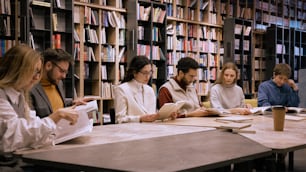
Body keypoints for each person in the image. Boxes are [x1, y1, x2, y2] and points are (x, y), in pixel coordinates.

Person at [0, 44, 78, 155]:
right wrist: (55, 117)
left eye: (38, 72)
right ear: (18, 69)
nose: (37, 77)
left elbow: (32, 122)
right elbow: (14, 135)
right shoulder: (2, 95)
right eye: (34, 71)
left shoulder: (20, 94)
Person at [30, 48, 92, 118]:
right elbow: (32, 124)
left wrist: (73, 103)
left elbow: (59, 105)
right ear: (48, 65)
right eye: (62, 71)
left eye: (66, 72)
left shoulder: (58, 83)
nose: (64, 76)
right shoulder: (30, 88)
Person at [114, 55, 175, 123]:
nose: (148, 76)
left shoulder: (150, 90)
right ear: (134, 73)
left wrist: (167, 116)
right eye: (145, 73)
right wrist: (140, 118)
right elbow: (119, 119)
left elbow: (152, 116)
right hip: (132, 131)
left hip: (151, 130)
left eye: (150, 72)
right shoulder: (122, 90)